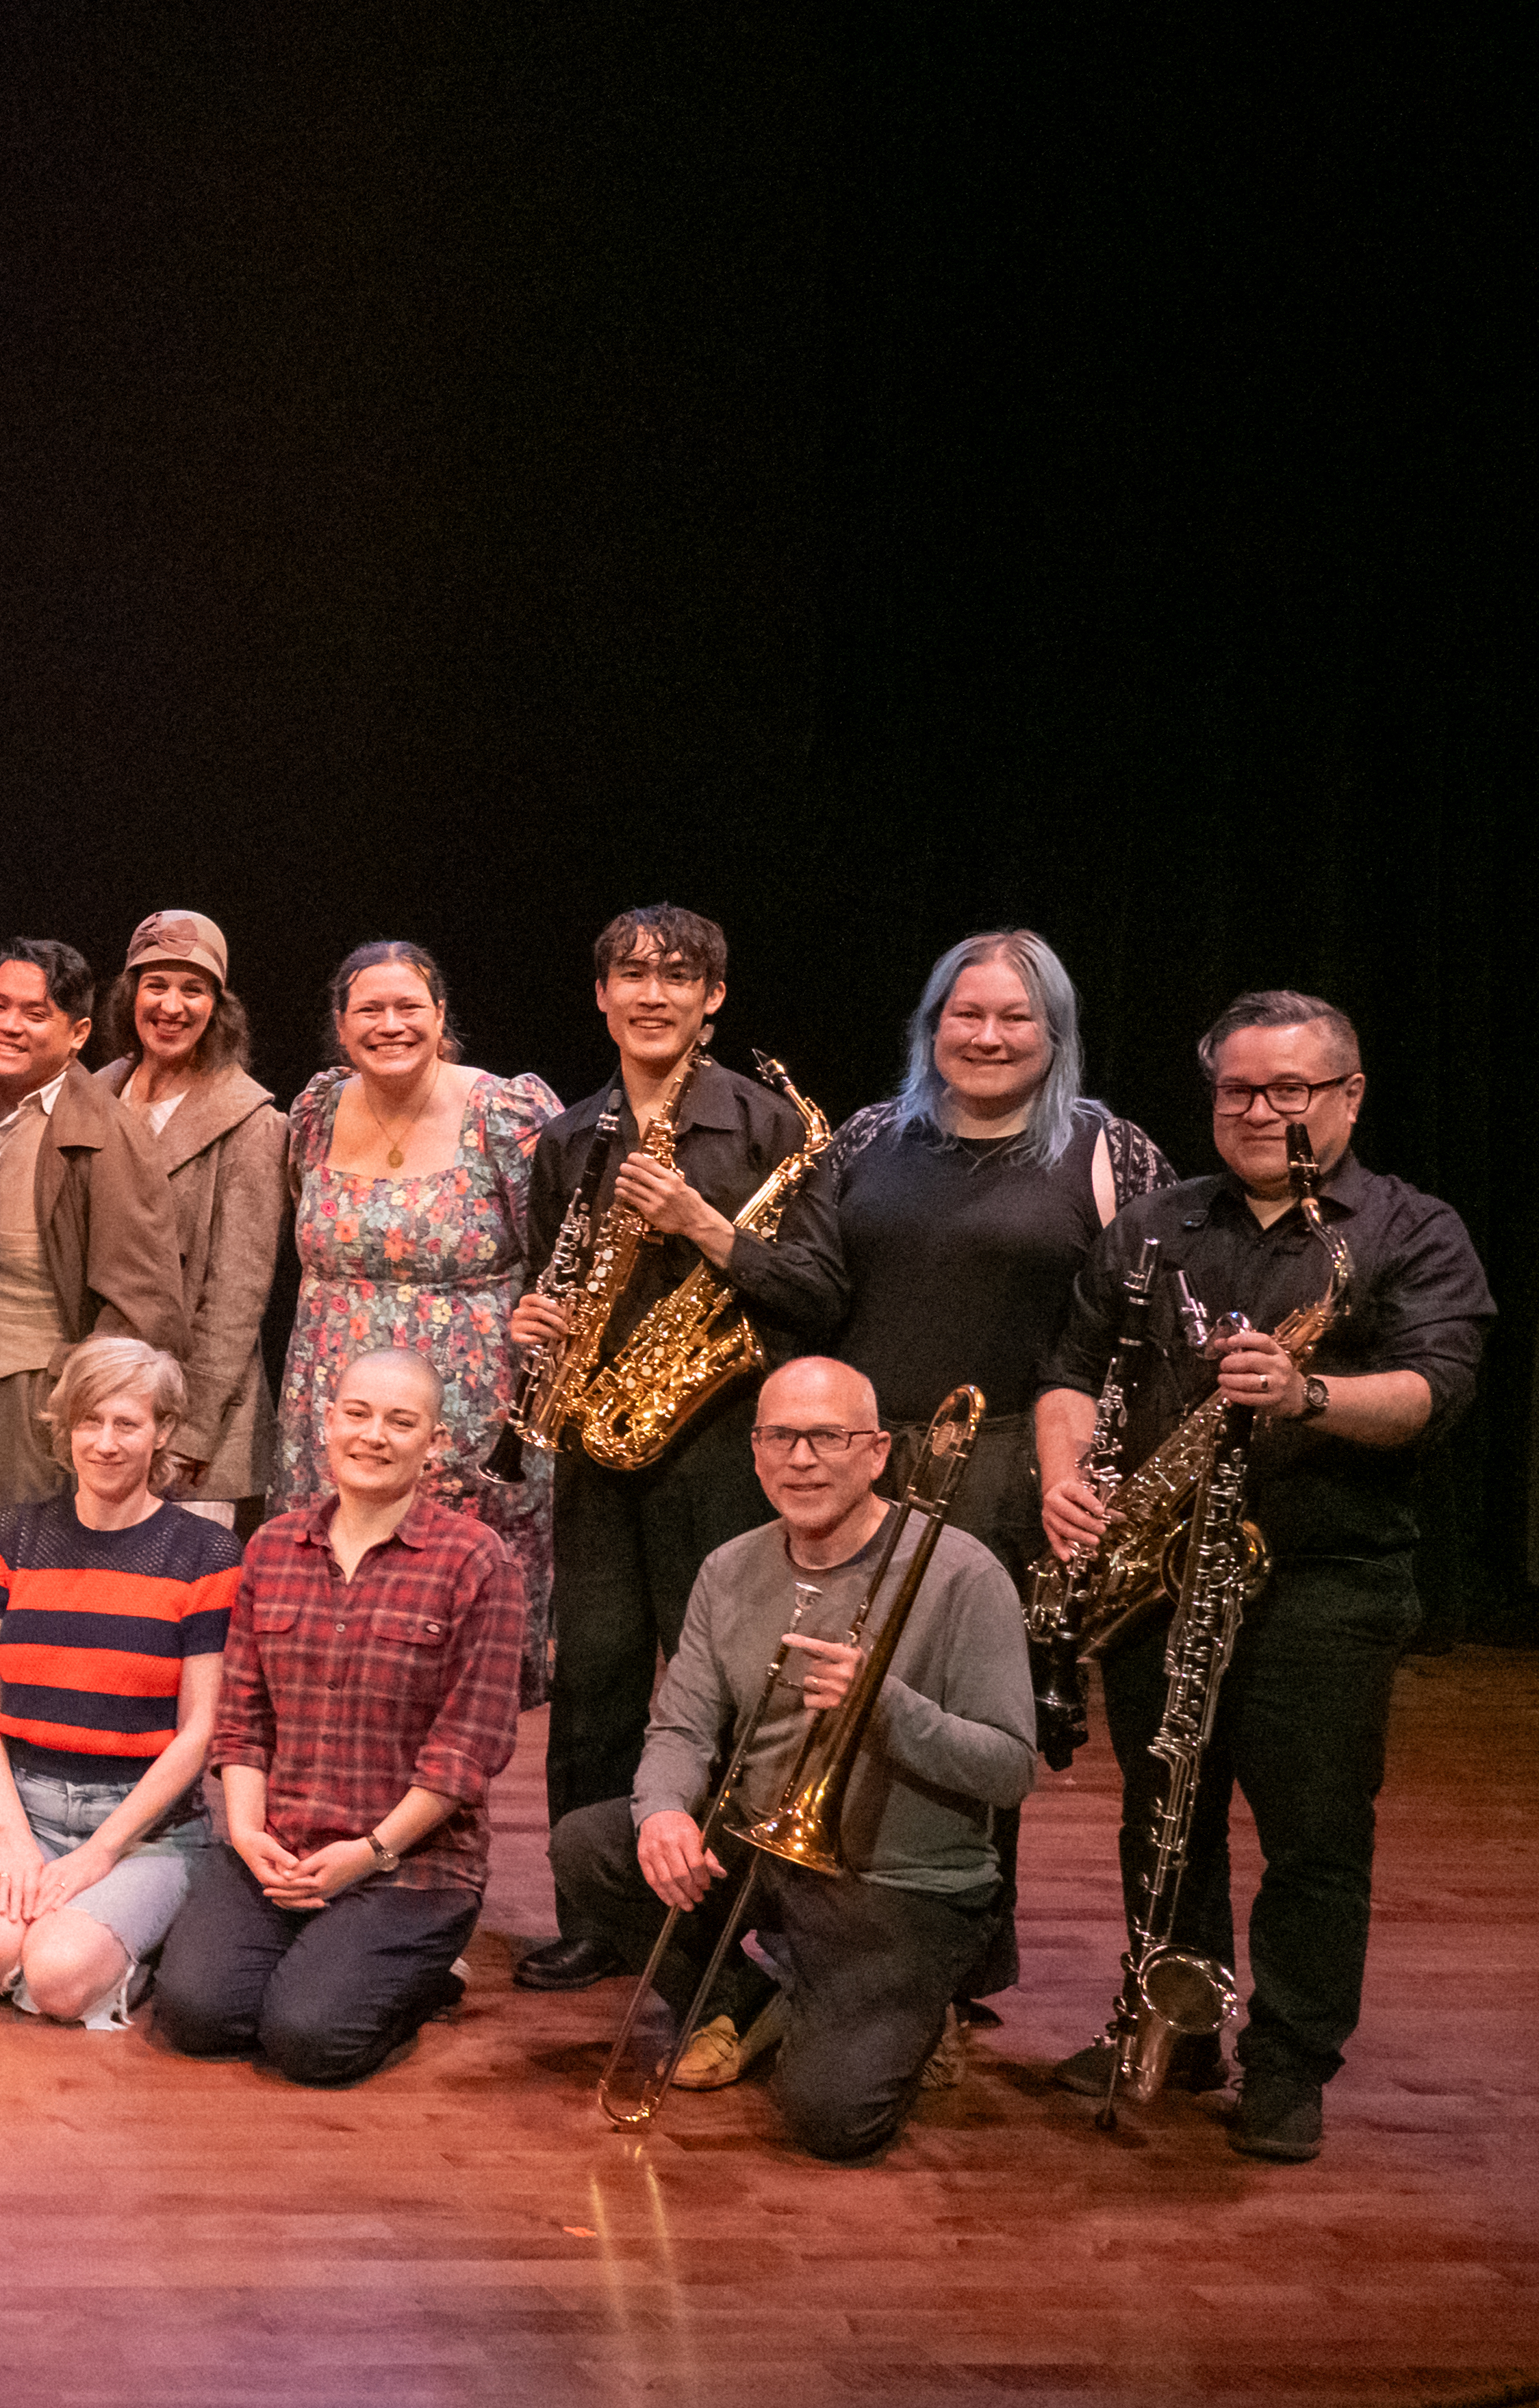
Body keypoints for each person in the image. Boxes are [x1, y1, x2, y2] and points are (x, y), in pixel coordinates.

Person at [524, 927, 1169, 2010]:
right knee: (801, 1686)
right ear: (929, 1026)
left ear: (1054, 1031)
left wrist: (1082, 1464)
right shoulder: (871, 1136)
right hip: (857, 1450)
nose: (988, 1033)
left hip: (1002, 1457)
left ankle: (955, 1946)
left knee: (954, 1698)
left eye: (1016, 1016)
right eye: (965, 1013)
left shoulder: (1110, 1150)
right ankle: (774, 1911)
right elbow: (825, 1288)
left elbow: (1127, 1328)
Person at [1034, 990, 1490, 2164]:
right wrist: (1063, 1473)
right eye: (1237, 1088)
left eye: (1288, 1089)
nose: (1258, 1110)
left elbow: (1433, 1390)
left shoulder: (1404, 1229)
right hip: (1160, 1572)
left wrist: (1310, 1395)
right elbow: (1070, 1367)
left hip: (1320, 1581)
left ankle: (1285, 2062)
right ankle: (1170, 2028)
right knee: (1163, 1815)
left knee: (1311, 1833)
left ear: (1344, 1096)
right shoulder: (1152, 1225)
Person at [541, 1356, 1035, 2153]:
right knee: (589, 1846)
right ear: (756, 1450)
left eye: (826, 1437)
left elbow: (1010, 1768)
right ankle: (743, 1996)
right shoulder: (729, 1569)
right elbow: (680, 1729)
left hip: (897, 1882)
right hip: (764, 1843)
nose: (800, 1459)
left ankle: (890, 2007)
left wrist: (886, 1706)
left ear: (876, 1453)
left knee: (833, 2125)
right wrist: (662, 1813)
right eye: (780, 1437)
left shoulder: (963, 1574)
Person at [508, 906, 814, 1826]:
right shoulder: (567, 1138)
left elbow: (818, 1288)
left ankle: (709, 1899)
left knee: (716, 1672)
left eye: (676, 976)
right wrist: (534, 1317)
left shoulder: (771, 1125)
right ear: (600, 996)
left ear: (711, 996)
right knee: (593, 1673)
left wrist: (700, 1224)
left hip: (720, 1442)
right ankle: (593, 1900)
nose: (652, 994)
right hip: (598, 1438)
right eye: (631, 975)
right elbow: (546, 1276)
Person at [156, 1348, 529, 2086]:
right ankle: (330, 1956)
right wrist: (247, 1832)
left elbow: (467, 1749)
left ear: (435, 1443)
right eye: (356, 1414)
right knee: (197, 2017)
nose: (373, 1436)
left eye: (400, 1422)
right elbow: (242, 1716)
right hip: (281, 1846)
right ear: (325, 1424)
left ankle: (426, 1977)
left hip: (408, 1866)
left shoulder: (476, 1561)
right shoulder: (271, 1547)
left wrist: (370, 1852)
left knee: (308, 2041)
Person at [0, 1335, 237, 2027]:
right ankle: (45, 1933)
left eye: (127, 1423)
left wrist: (100, 1854)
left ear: (162, 1432)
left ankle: (117, 1945)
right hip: (23, 1808)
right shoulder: (7, 1537)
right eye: (87, 1422)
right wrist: (9, 1833)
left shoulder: (206, 1553)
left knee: (60, 1979)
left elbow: (200, 1730)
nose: (103, 1443)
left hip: (144, 1826)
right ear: (64, 1429)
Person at [274, 939, 559, 1622]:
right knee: (331, 1608)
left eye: (409, 1007)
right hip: (330, 1409)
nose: (389, 1025)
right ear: (341, 1026)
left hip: (466, 1418)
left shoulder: (503, 1112)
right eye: (368, 1010)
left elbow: (555, 1253)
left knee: (448, 1611)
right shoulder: (314, 1113)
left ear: (440, 1016)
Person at [0, 938, 187, 1514]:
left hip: (28, 1401)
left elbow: (146, 1308)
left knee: (12, 1577)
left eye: (35, 1014)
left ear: (78, 1034)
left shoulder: (106, 1135)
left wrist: (68, 1395)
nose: (9, 1025)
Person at [102, 911, 283, 1521]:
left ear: (218, 1006)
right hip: (98, 1408)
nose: (171, 1006)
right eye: (156, 985)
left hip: (200, 1429)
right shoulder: (93, 1096)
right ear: (131, 995)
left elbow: (238, 1296)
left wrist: (192, 1430)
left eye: (193, 989)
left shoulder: (251, 1122)